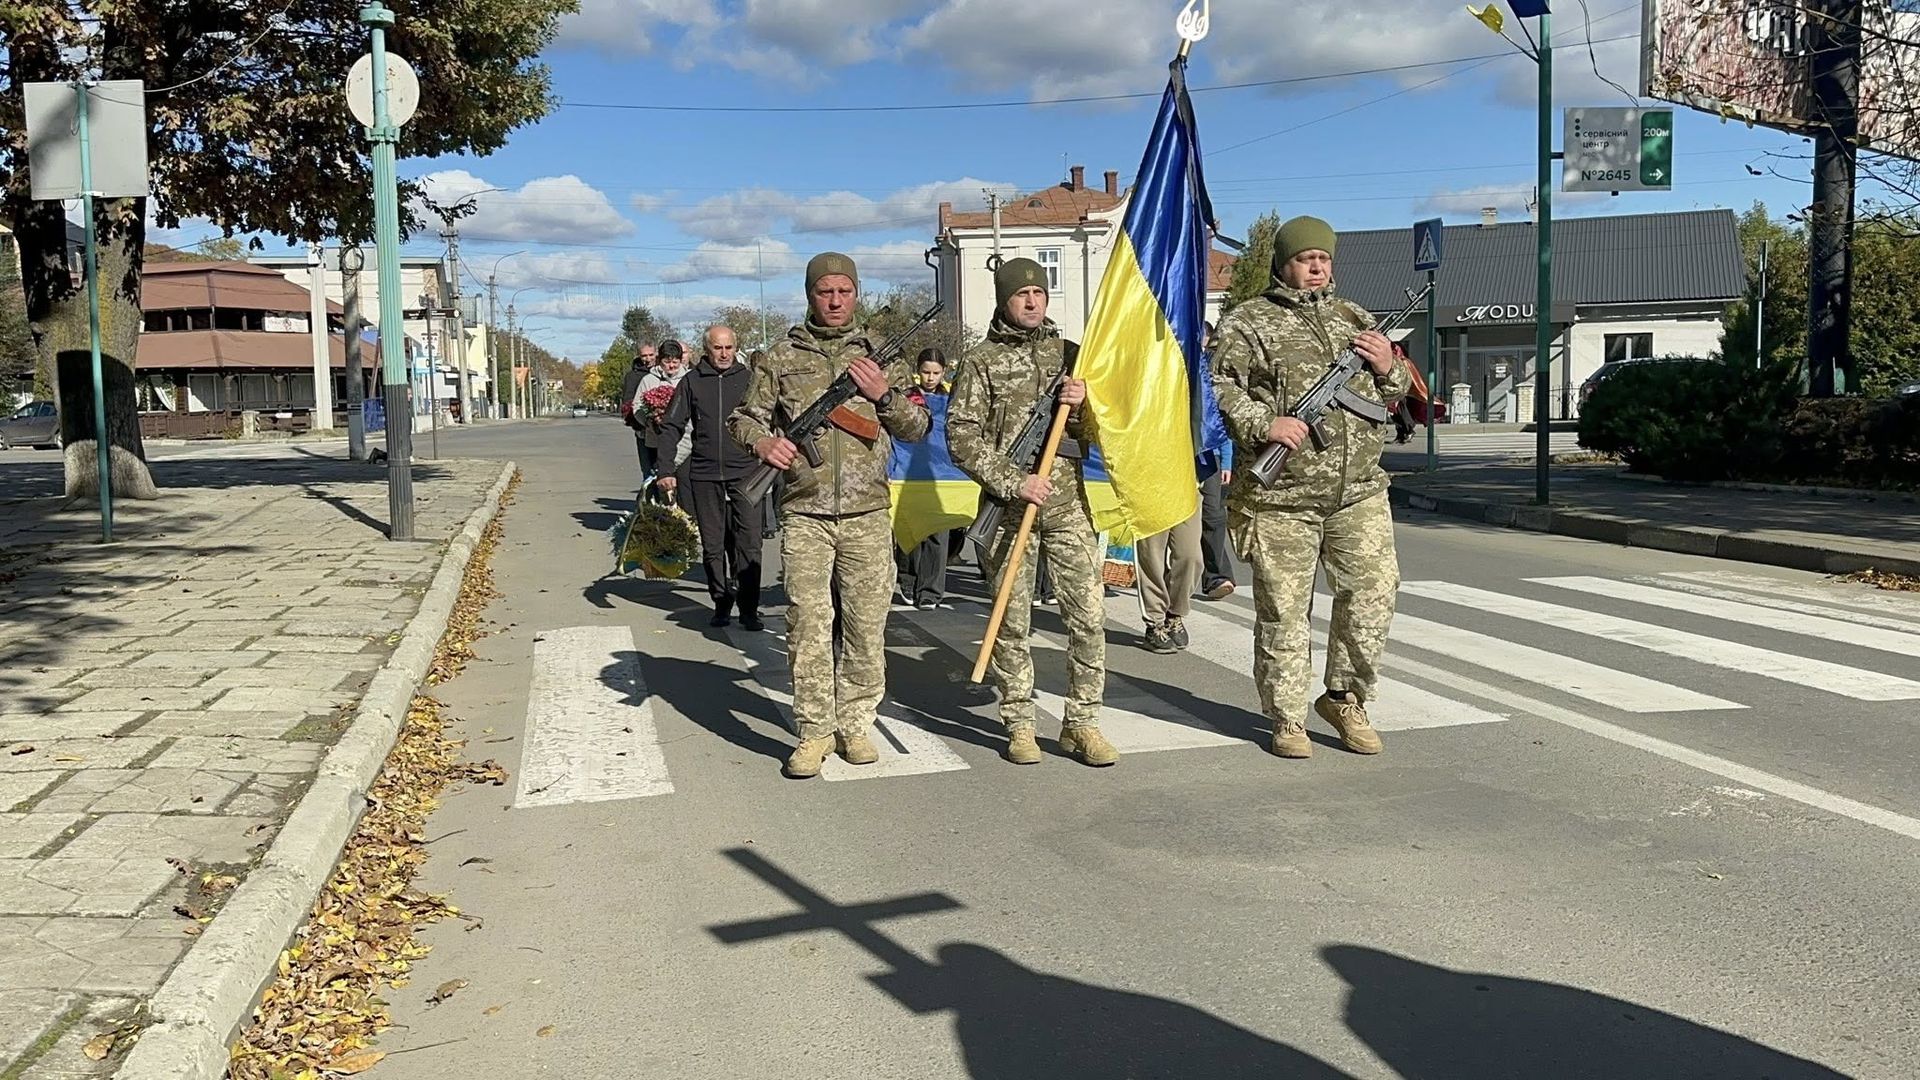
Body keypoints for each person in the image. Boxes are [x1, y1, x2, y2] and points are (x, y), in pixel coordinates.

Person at [1210, 215, 1410, 760]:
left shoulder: (1355, 318)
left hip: (1359, 491)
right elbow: (1221, 389)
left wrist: (1390, 363)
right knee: (1284, 610)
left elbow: (1392, 389)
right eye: (1306, 259)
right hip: (1282, 500)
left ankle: (1345, 698)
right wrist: (1263, 424)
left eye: (1323, 258)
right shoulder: (1249, 321)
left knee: (1373, 595)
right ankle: (1287, 718)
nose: (1317, 266)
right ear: (1284, 264)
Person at [729, 253, 931, 780]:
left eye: (844, 291)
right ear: (810, 295)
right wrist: (764, 442)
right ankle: (814, 731)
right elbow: (744, 417)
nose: (836, 301)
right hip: (805, 512)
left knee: (867, 625)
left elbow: (916, 428)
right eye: (825, 292)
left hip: (867, 513)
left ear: (857, 294)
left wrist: (882, 395)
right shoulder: (778, 355)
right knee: (807, 625)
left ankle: (856, 722)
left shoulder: (883, 358)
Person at [947, 257, 1115, 768]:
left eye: (1039, 292)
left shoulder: (1073, 358)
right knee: (1010, 623)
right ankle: (1019, 721)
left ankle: (1082, 723)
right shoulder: (980, 361)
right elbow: (960, 436)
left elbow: (1100, 435)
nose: (1032, 300)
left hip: (1067, 508)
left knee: (1088, 617)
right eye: (1022, 293)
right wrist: (1013, 480)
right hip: (1008, 508)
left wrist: (1085, 405)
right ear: (1004, 299)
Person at [658, 325, 764, 630]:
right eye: (718, 348)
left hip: (746, 473)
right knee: (713, 544)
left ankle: (749, 608)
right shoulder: (692, 382)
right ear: (707, 349)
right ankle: (721, 602)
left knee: (749, 544)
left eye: (729, 347)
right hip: (704, 474)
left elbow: (773, 418)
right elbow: (672, 426)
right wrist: (665, 469)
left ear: (736, 348)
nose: (724, 354)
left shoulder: (749, 380)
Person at [897, 348, 953, 609]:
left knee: (937, 535)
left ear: (944, 372)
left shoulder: (952, 398)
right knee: (910, 532)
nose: (930, 378)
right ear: (917, 371)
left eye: (936, 373)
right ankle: (908, 580)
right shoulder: (906, 397)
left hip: (941, 475)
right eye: (925, 372)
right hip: (909, 473)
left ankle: (931, 591)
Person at [619, 342, 660, 479]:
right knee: (648, 469)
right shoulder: (632, 376)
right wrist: (637, 422)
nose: (648, 359)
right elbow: (627, 402)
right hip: (643, 429)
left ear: (656, 354)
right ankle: (648, 497)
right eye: (644, 355)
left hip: (664, 428)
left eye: (651, 355)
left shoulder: (664, 372)